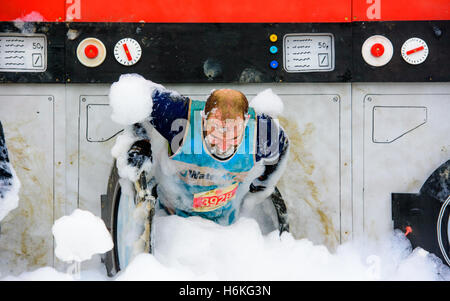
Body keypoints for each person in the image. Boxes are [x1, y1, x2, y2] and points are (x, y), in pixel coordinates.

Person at [109, 74, 290, 230]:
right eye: (216, 129)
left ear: (246, 120)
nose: (224, 141)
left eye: (233, 132)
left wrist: (261, 186)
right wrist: (140, 141)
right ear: (203, 118)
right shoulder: (180, 118)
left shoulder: (263, 133)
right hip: (171, 217)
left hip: (225, 223)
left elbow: (282, 148)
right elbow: (133, 91)